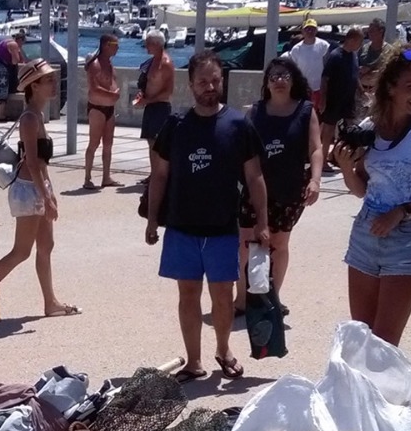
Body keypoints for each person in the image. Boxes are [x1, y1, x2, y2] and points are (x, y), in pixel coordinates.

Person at [145, 49, 269, 381]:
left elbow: (255, 177)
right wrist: (152, 219)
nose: (210, 86)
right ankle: (193, 361)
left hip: (222, 228)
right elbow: (159, 175)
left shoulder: (238, 125)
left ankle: (224, 349)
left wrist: (263, 222)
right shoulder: (176, 125)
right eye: (203, 81)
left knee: (223, 296)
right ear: (191, 85)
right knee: (188, 295)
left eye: (215, 80)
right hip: (182, 227)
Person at [330, 43, 411, 346]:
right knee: (360, 337)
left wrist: (402, 212)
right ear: (390, 87)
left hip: (407, 239)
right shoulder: (368, 128)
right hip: (365, 234)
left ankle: (383, 395)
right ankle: (363, 396)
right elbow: (362, 189)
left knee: (384, 343)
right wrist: (348, 169)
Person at [0, 60, 78, 319]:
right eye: (48, 80)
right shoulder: (29, 118)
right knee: (21, 251)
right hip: (29, 190)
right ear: (34, 86)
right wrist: (46, 197)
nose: (54, 84)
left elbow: (40, 162)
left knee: (46, 245)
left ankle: (50, 302)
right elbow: (31, 161)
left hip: (38, 187)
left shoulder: (37, 116)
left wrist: (50, 192)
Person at [244, 57, 323, 300]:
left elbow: (316, 149)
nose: (279, 80)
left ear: (293, 81)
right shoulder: (254, 112)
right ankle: (243, 298)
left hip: (289, 189)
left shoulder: (306, 110)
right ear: (267, 83)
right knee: (245, 242)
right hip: (253, 189)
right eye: (274, 76)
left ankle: (272, 297)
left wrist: (315, 180)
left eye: (284, 76)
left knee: (278, 244)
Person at [133, 28, 174, 177]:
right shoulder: (152, 62)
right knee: (150, 143)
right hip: (150, 106)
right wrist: (142, 96)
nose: (146, 46)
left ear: (157, 44)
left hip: (160, 107)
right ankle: (153, 174)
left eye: (148, 43)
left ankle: (160, 175)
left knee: (158, 144)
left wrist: (148, 100)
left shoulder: (166, 63)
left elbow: (168, 91)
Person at [83, 30, 120, 189]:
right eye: (115, 45)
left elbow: (111, 81)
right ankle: (87, 178)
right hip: (97, 108)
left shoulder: (110, 64)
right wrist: (111, 94)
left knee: (108, 143)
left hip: (109, 108)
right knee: (94, 143)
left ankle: (106, 176)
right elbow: (94, 88)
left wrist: (115, 93)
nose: (117, 48)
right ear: (106, 45)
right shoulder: (95, 64)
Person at [320, 26, 363, 149]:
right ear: (351, 40)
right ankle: (323, 159)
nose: (360, 45)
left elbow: (354, 74)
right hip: (334, 99)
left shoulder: (354, 56)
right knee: (329, 129)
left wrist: (361, 90)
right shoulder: (335, 56)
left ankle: (345, 154)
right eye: (359, 41)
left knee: (350, 128)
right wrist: (323, 99)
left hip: (349, 99)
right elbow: (325, 78)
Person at [288, 18, 330, 113]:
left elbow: (328, 68)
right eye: (307, 29)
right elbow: (293, 71)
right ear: (302, 31)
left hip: (320, 89)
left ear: (316, 30)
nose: (310, 31)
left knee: (319, 116)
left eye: (312, 28)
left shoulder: (324, 45)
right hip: (303, 90)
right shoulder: (296, 49)